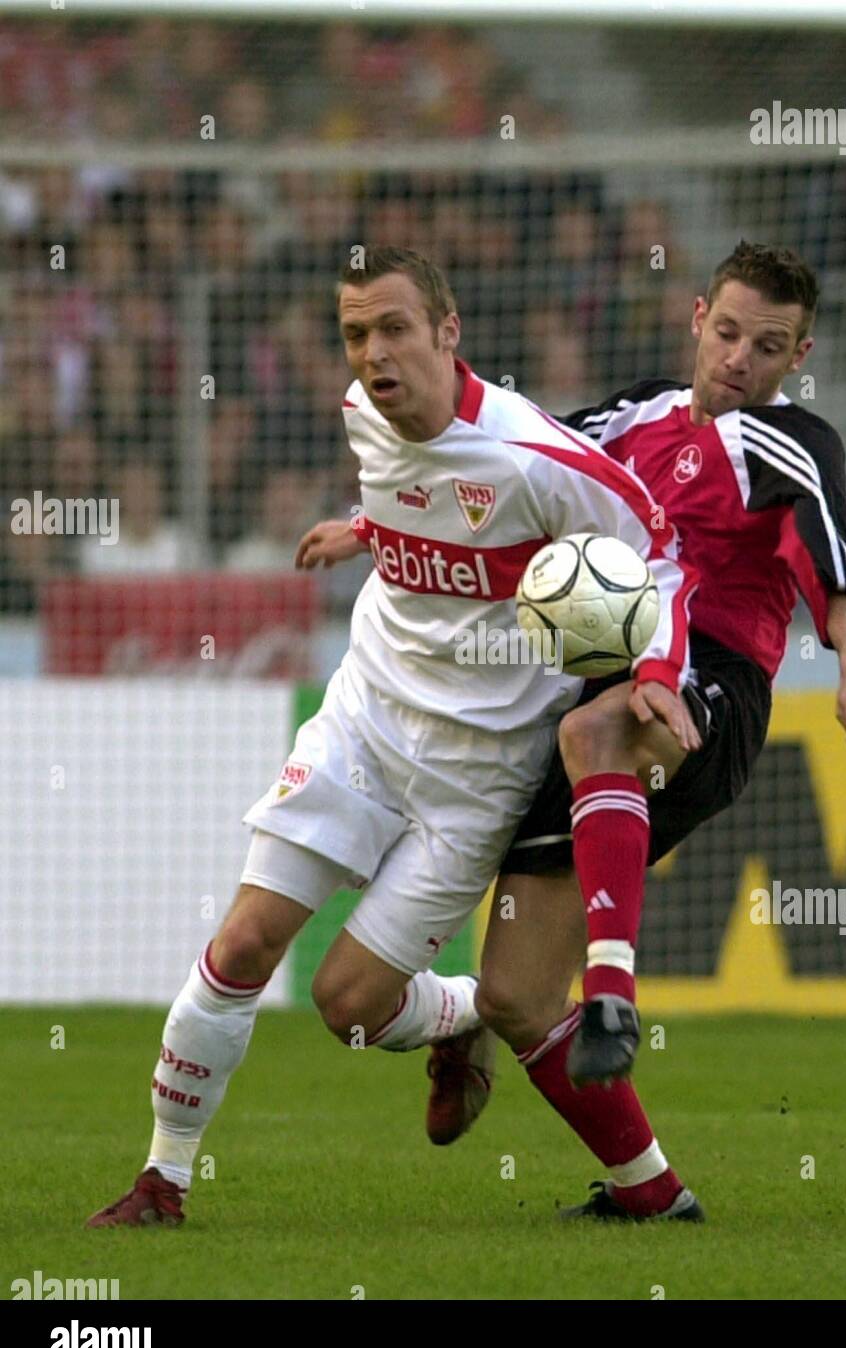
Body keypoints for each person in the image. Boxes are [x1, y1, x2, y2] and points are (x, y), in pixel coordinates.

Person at [85, 244, 700, 1229]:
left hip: (474, 782)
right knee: (242, 941)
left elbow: (656, 543)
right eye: (355, 334)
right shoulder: (358, 414)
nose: (373, 353)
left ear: (448, 334)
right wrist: (359, 530)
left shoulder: (537, 457)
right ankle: (163, 1181)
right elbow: (420, 499)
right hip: (363, 725)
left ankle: (454, 1017)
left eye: (394, 328)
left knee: (347, 1006)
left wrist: (657, 673)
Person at [303, 240, 846, 1223]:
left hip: (709, 685)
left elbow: (832, 550)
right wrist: (364, 529)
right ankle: (650, 1192)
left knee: (594, 734)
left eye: (769, 345)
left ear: (799, 356)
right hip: (605, 683)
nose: (740, 358)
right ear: (697, 316)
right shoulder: (631, 415)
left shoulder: (793, 439)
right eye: (728, 332)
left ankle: (614, 989)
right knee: (514, 996)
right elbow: (500, 475)